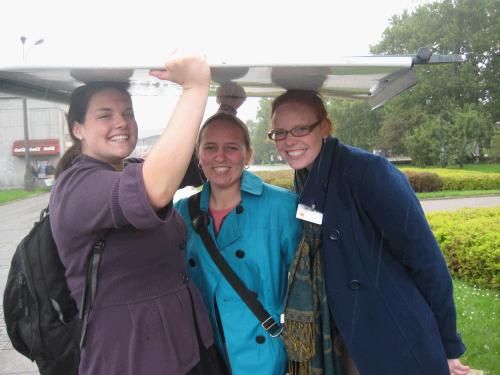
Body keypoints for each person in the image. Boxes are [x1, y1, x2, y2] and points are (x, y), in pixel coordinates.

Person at [269, 90, 470, 375]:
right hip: (344, 333)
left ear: (324, 127)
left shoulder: (369, 172)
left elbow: (428, 262)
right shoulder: (306, 177)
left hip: (393, 333)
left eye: (301, 129)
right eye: (279, 132)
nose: (289, 141)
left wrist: (449, 347)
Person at [49, 56, 224, 375]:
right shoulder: (77, 188)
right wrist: (196, 87)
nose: (121, 122)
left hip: (185, 344)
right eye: (105, 115)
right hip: (133, 358)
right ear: (78, 129)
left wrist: (226, 112)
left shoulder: (128, 170)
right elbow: (154, 189)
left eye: (127, 113)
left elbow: (186, 163)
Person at [175, 84, 301, 375]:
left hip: (265, 358)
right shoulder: (181, 213)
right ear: (198, 155)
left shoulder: (283, 208)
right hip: (204, 356)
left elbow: (308, 287)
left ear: (248, 155)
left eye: (232, 148)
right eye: (210, 147)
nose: (220, 157)